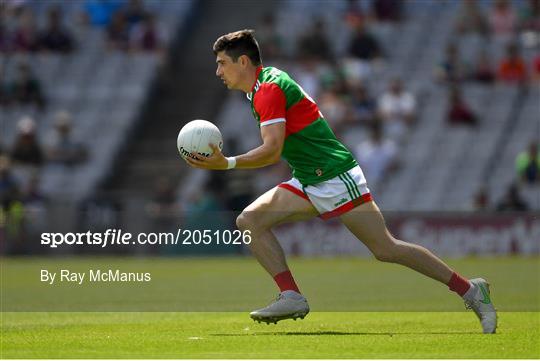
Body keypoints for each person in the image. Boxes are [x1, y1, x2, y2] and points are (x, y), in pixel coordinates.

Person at [184, 30, 497, 333]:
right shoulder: (263, 85)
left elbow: (272, 150)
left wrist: (227, 163)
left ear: (243, 63)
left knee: (386, 248)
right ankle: (291, 296)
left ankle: (470, 290)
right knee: (250, 221)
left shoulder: (269, 89)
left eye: (222, 62)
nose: (217, 70)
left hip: (334, 175)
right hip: (309, 177)